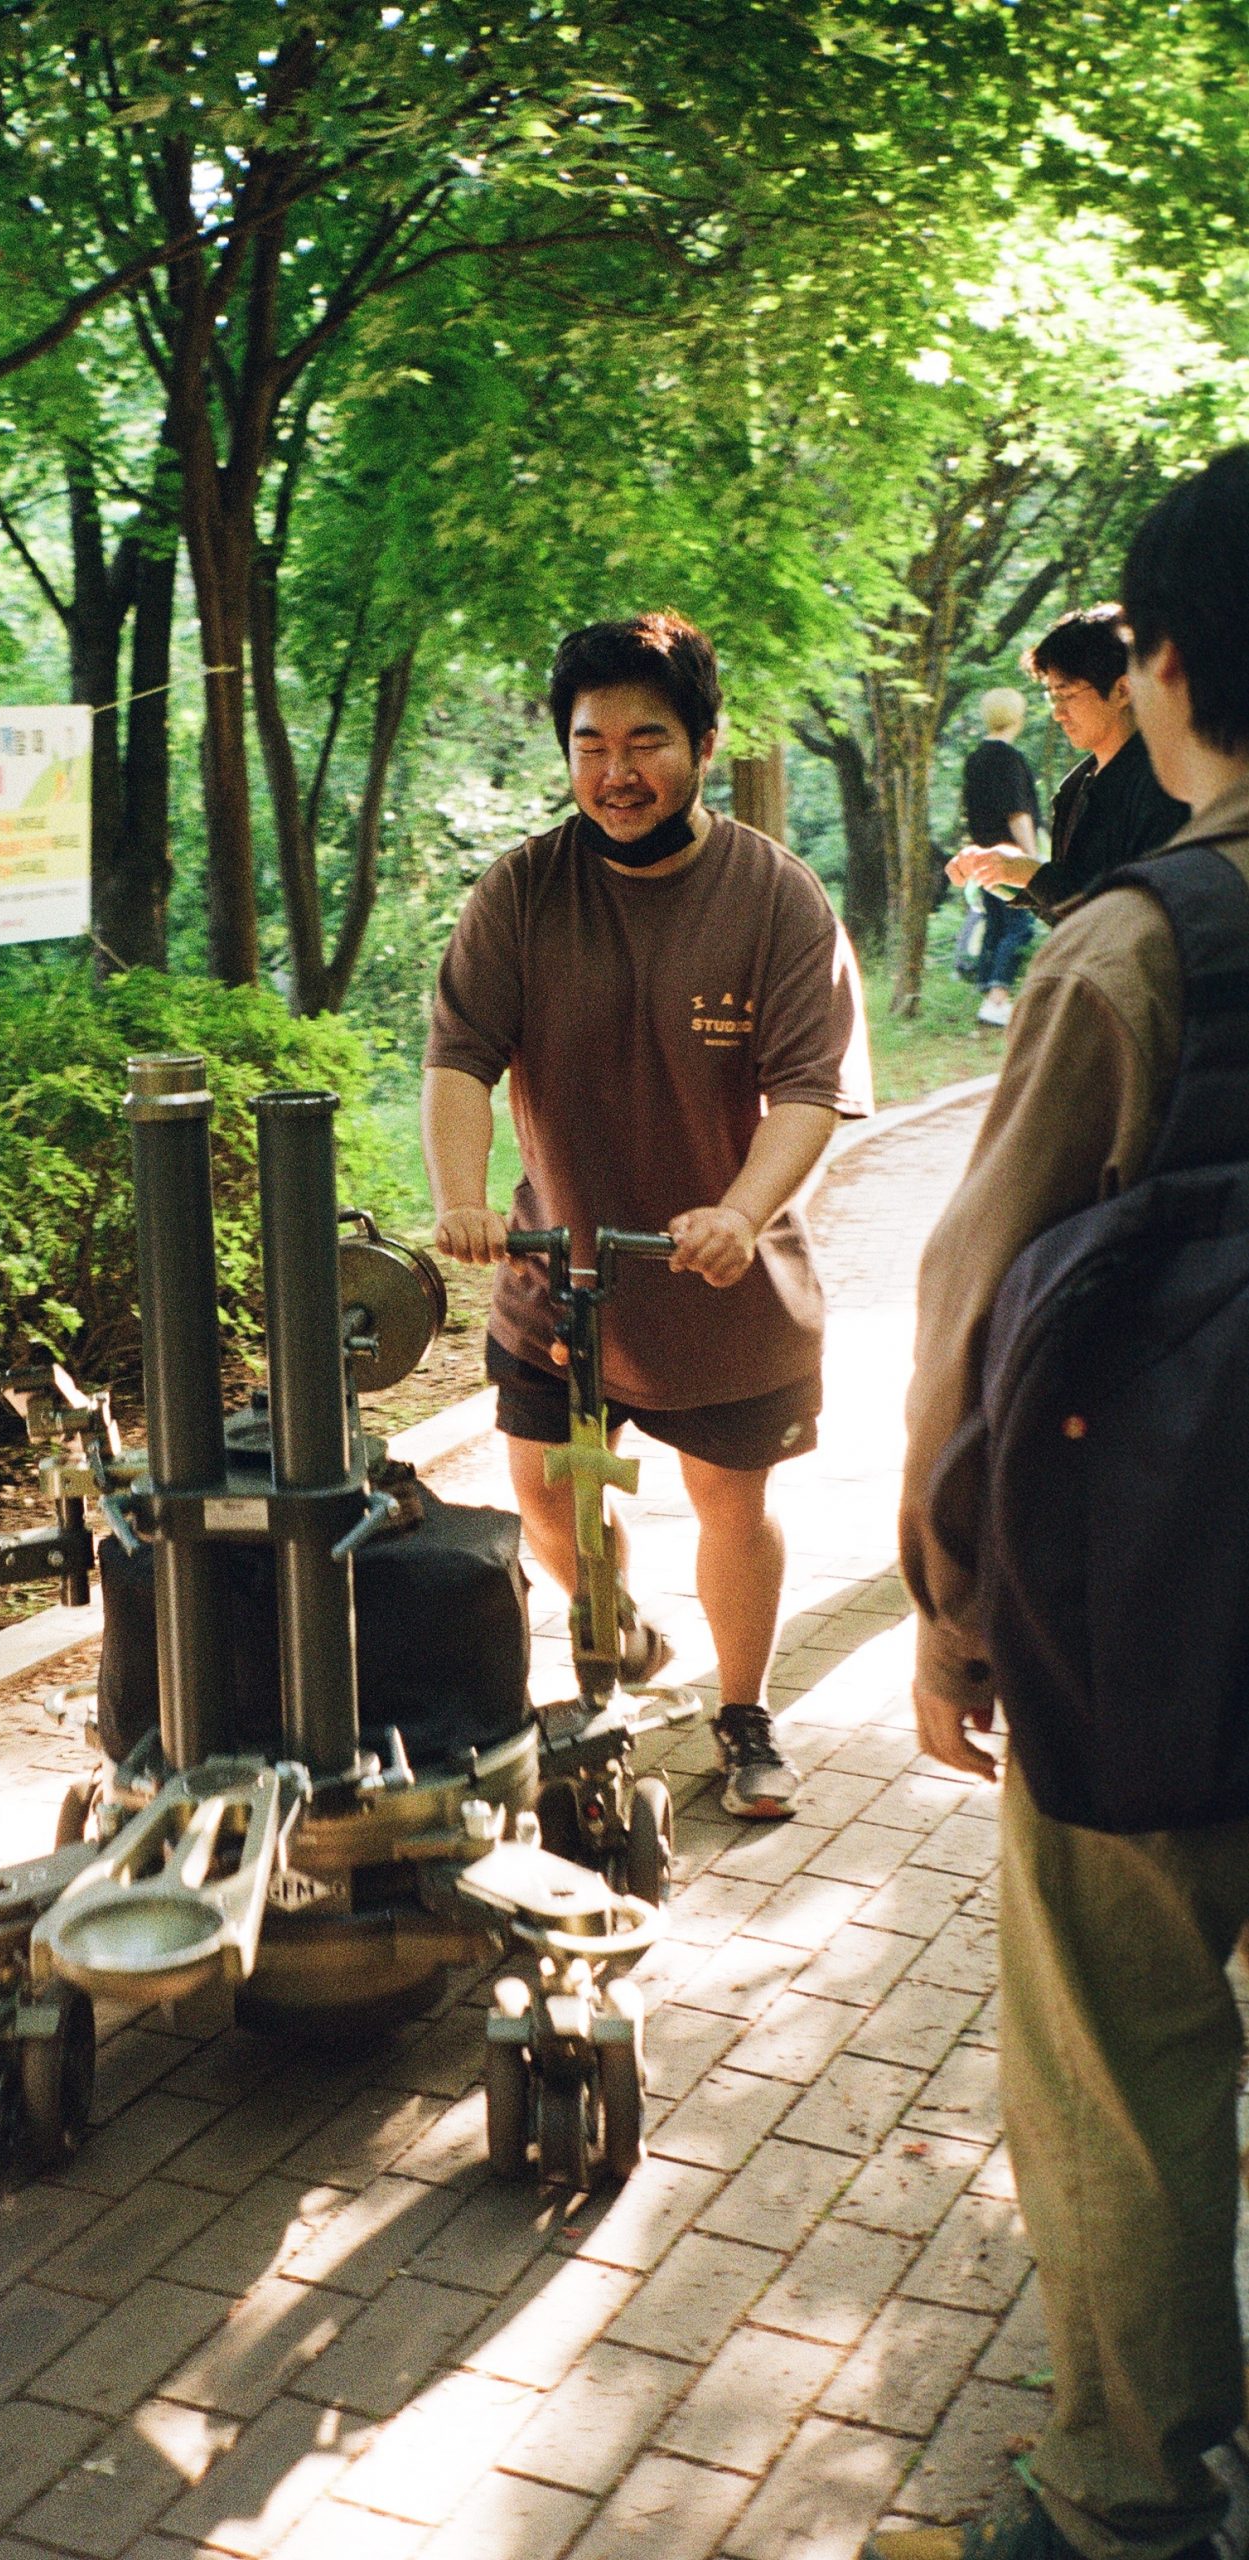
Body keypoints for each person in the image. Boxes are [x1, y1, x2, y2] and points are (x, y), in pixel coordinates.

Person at [875, 447, 1249, 2560]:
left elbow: (974, 1295)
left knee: (1117, 2047)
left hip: (1160, 1609)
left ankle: (1123, 2494)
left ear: (1166, 665)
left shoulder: (1137, 948)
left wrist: (948, 1607)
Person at [421, 612, 872, 1819]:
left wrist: (738, 1211)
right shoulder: (521, 890)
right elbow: (458, 1058)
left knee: (732, 1502)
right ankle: (616, 1621)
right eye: (590, 745)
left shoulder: (775, 898)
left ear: (704, 746)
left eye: (645, 742)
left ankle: (744, 1712)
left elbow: (808, 1091)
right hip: (557, 1279)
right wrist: (460, 1198)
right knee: (544, 1496)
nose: (615, 772)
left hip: (722, 1287)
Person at [949, 605, 1188, 932]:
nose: (1058, 713)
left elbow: (1133, 918)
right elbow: (1069, 916)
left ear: (1122, 690)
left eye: (1067, 695)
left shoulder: (1164, 784)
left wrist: (1032, 874)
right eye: (1052, 697)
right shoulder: (1077, 787)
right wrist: (1006, 872)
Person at [958, 687, 1042, 1027]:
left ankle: (987, 994)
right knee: (1019, 927)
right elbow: (1017, 813)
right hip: (1010, 856)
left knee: (996, 924)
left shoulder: (975, 759)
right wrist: (1032, 858)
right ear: (1016, 717)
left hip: (982, 855)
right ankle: (997, 1000)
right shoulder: (1009, 759)